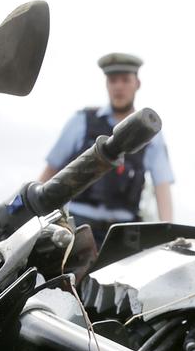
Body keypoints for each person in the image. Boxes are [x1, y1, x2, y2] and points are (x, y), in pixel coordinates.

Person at [40, 53, 174, 245]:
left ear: (137, 83)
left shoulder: (151, 133)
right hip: (75, 227)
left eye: (125, 80)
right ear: (106, 84)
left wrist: (168, 235)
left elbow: (162, 187)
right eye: (113, 80)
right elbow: (49, 173)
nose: (119, 86)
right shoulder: (81, 121)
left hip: (122, 234)